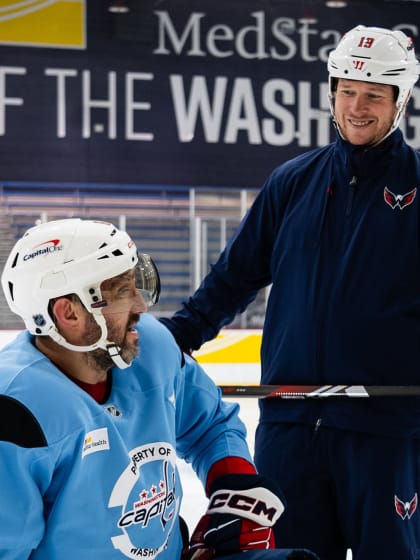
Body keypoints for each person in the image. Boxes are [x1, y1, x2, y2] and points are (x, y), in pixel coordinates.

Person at [160, 24, 420, 560]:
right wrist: (175, 338)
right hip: (289, 428)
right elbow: (235, 276)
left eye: (374, 94)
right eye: (346, 90)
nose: (357, 106)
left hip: (386, 434)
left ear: (401, 101)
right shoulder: (292, 180)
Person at [0, 218, 318, 560]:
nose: (140, 305)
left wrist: (232, 488)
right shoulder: (16, 409)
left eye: (137, 284)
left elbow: (211, 424)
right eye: (122, 291)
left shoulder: (151, 346)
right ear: (69, 312)